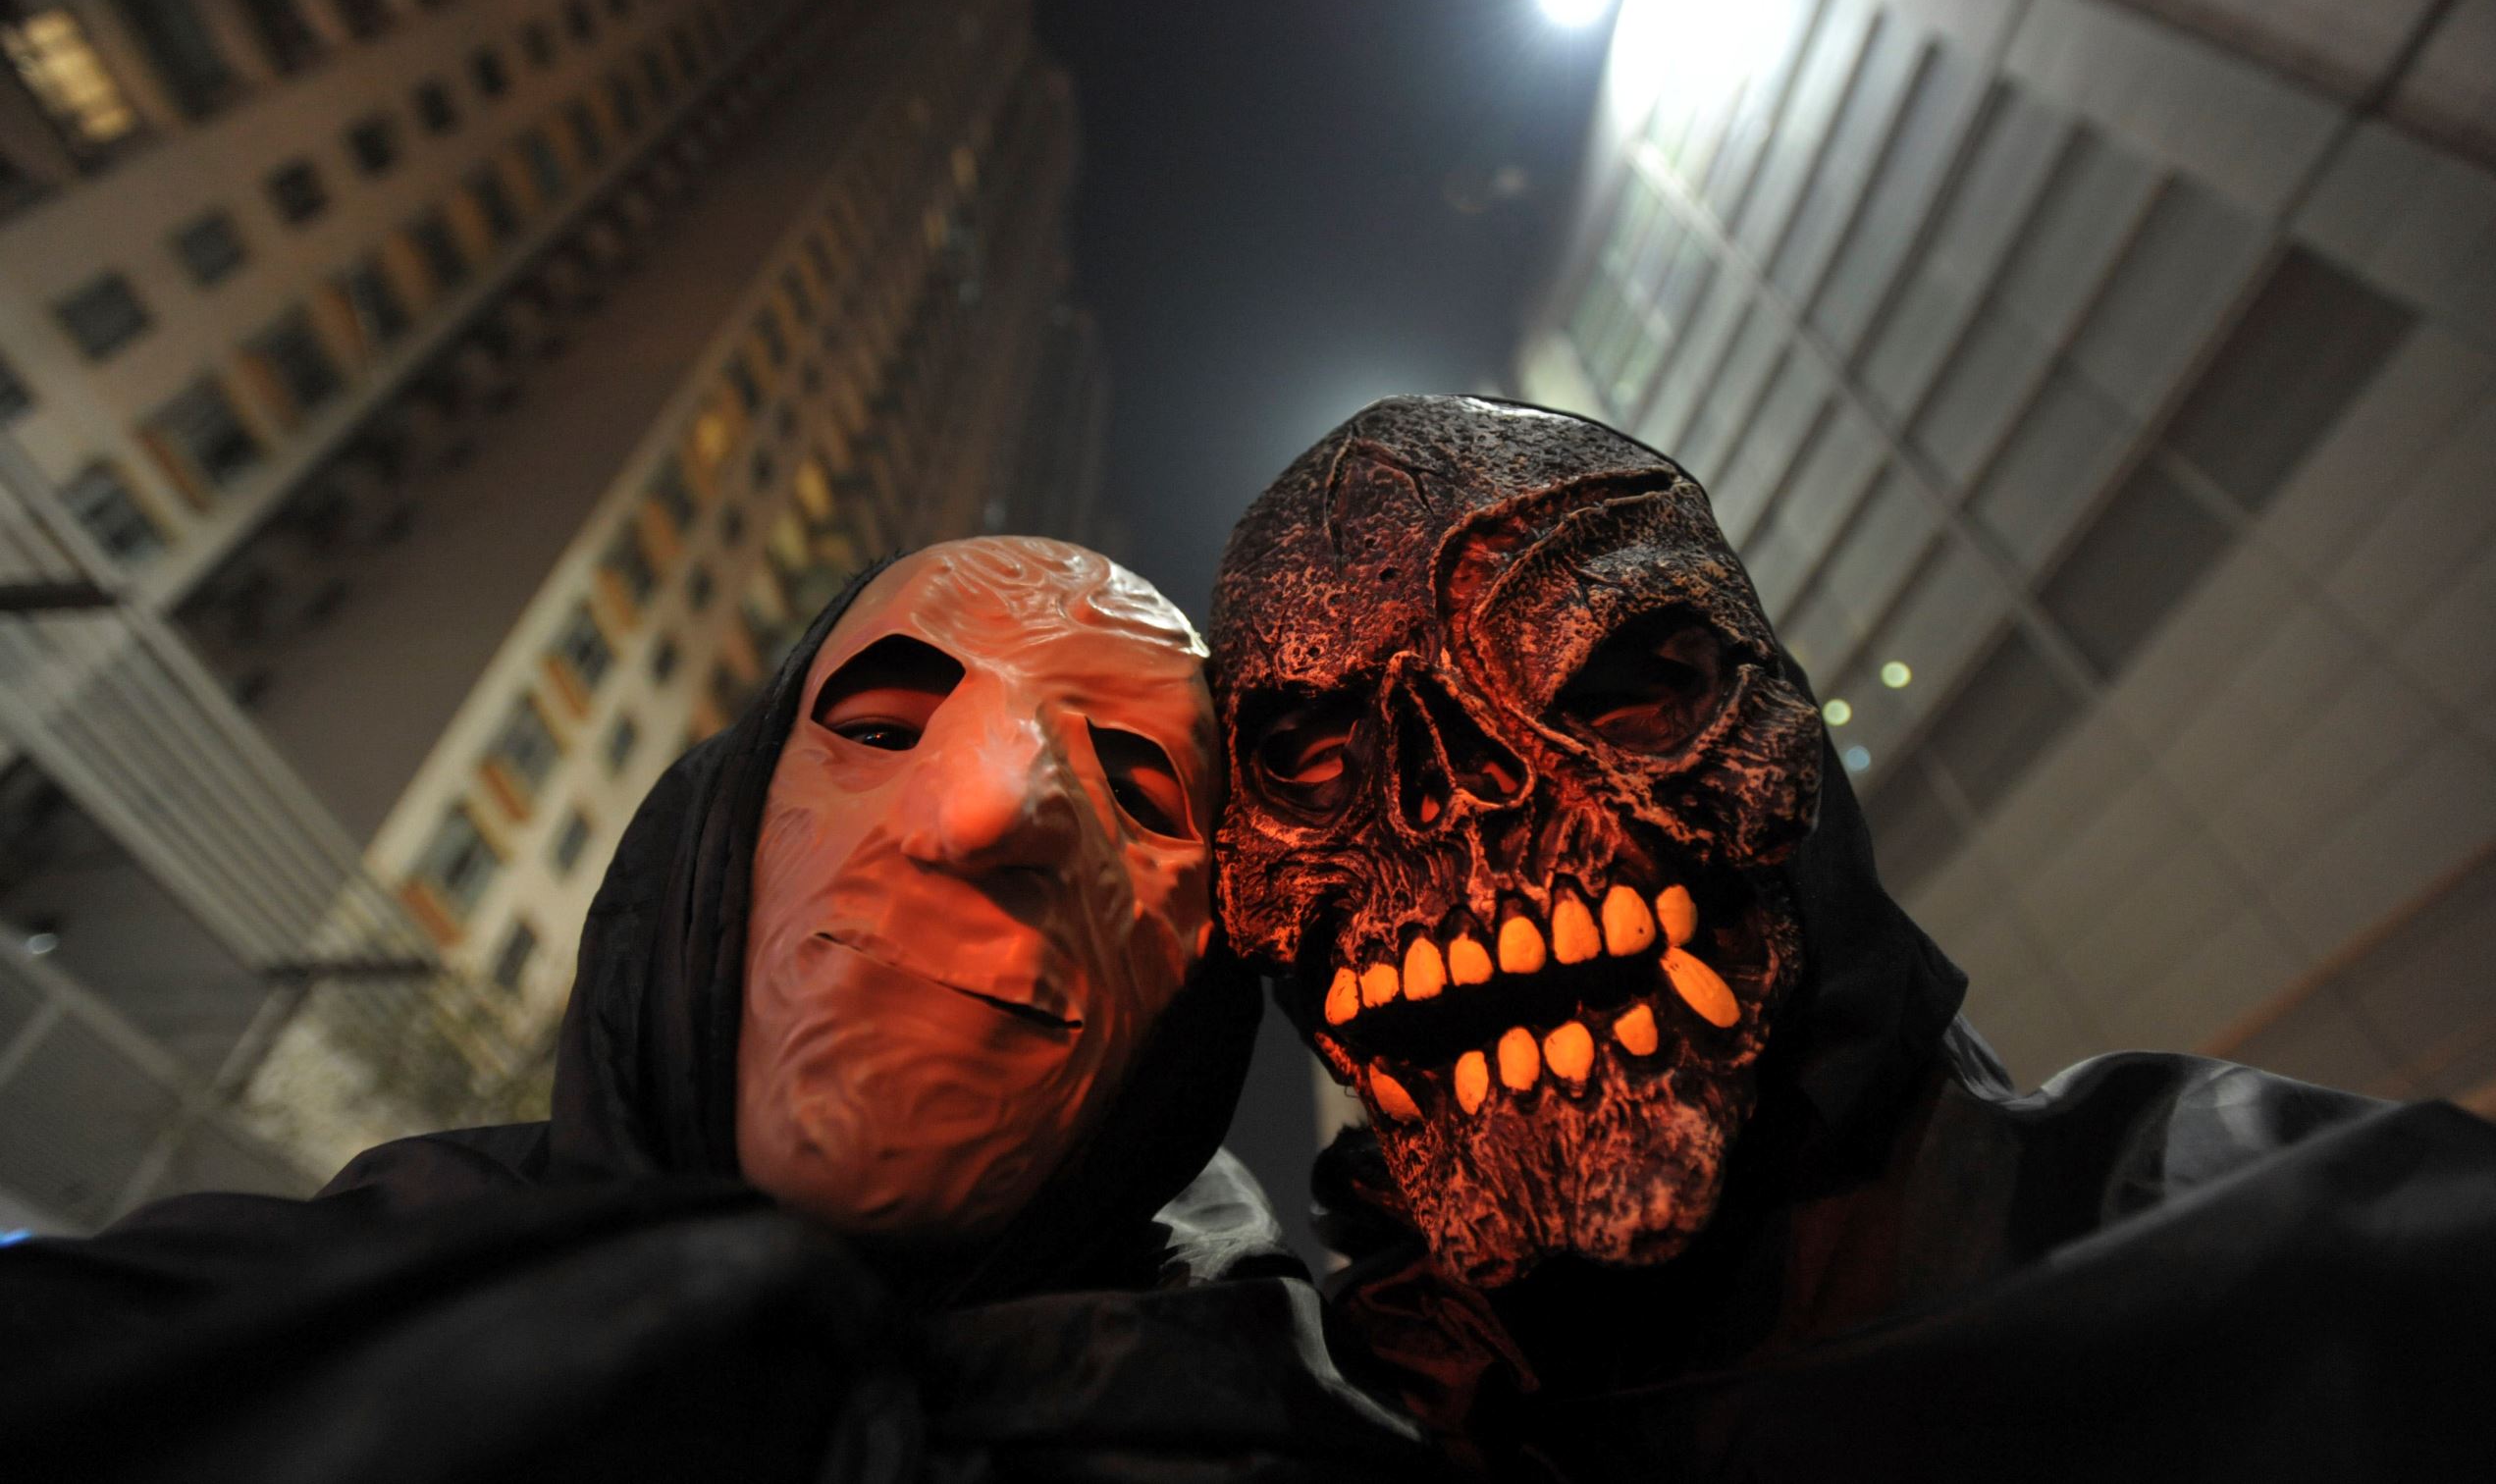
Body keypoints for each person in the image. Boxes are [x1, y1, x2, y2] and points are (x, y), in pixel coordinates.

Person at [1207, 395, 2496, 1482]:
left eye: (1605, 677)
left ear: (1782, 727)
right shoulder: (1339, 1418)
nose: (1458, 811)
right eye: (1309, 760)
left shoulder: (2345, 1279)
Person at [2, 537, 1439, 1483]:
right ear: (711, 848)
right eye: (876, 727)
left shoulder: (1296, 1441)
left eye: (1138, 784)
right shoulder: (274, 1298)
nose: (987, 804)